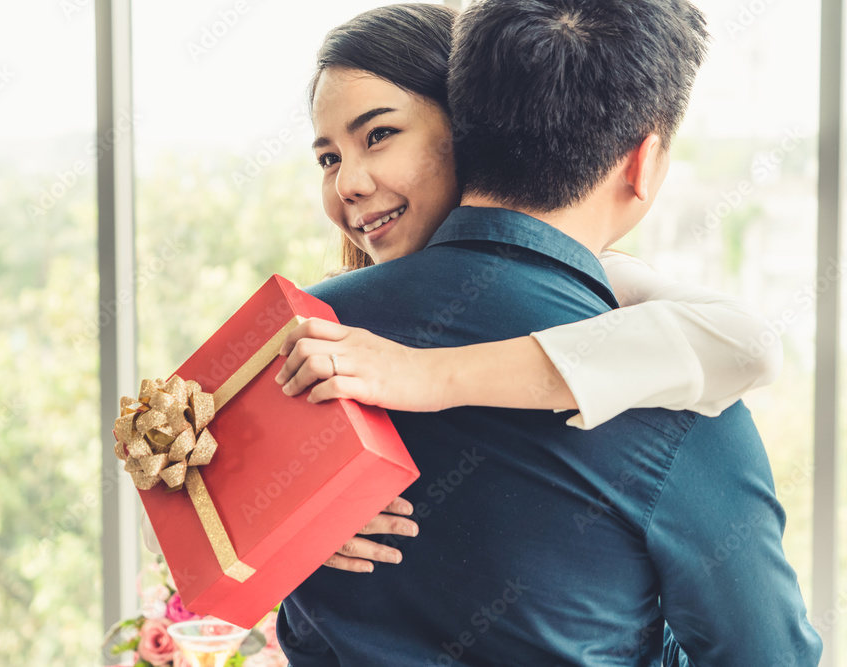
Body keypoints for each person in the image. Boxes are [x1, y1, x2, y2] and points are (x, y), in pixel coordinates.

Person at [275, 0, 822, 664]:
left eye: (379, 136)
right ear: (643, 162)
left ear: (466, 124)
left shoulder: (305, 338)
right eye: (328, 157)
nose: (352, 183)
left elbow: (186, 492)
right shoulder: (681, 397)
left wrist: (271, 533)